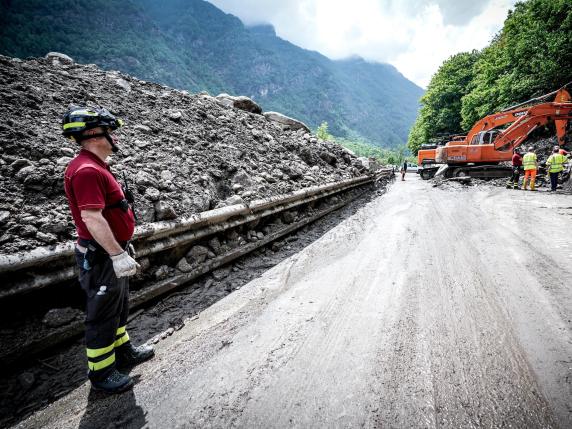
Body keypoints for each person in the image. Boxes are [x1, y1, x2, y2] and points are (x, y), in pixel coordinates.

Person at [62, 106, 154, 394]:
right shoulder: (87, 171)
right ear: (93, 134)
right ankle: (102, 373)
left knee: (118, 307)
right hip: (102, 255)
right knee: (102, 313)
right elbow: (91, 217)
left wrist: (122, 247)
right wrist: (116, 254)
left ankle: (122, 351)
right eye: (109, 131)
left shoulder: (97, 166)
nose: (114, 136)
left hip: (110, 252)